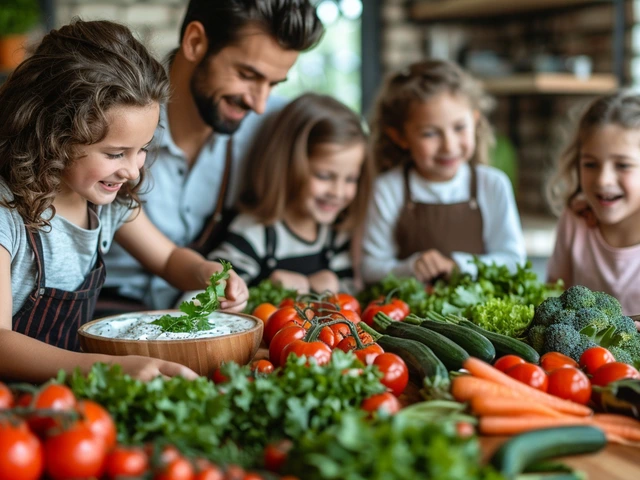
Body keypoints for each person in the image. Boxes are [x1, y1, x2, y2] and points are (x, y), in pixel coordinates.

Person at [0, 20, 248, 383]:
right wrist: (107, 367)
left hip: (70, 390)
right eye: (116, 154)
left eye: (143, 149)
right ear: (52, 134)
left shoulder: (108, 205)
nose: (132, 171)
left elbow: (167, 258)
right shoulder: (8, 214)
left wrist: (204, 273)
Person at [100, 0, 325, 312]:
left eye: (272, 84)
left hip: (206, 314)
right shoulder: (113, 115)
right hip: (103, 308)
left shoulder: (276, 126)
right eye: (247, 74)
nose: (259, 104)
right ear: (195, 42)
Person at [178, 93, 374, 301]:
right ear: (287, 167)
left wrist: (334, 287)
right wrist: (268, 291)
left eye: (351, 179)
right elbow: (199, 298)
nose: (338, 192)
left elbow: (352, 299)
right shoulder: (255, 233)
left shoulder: (335, 235)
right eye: (324, 176)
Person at [361, 59, 526, 284]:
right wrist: (410, 268)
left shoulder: (493, 184)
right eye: (430, 133)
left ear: (475, 121)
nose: (449, 146)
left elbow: (514, 261)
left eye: (459, 128)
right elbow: (370, 268)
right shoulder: (389, 188)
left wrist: (460, 266)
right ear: (400, 137)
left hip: (477, 316)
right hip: (410, 316)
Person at [547, 92, 640, 317]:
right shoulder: (574, 220)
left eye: (623, 165)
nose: (603, 180)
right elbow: (553, 297)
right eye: (590, 164)